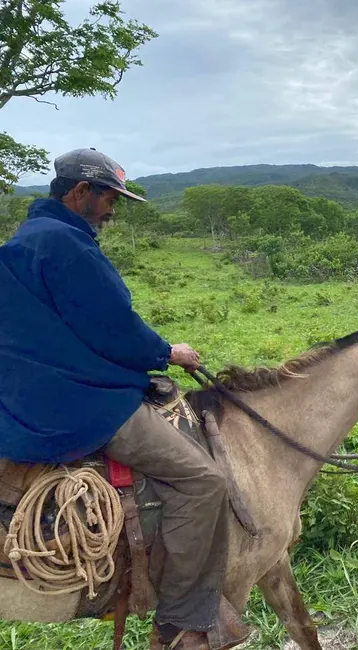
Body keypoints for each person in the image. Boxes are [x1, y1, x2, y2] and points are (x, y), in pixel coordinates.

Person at [0, 148, 248, 650]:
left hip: (23, 393)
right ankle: (180, 623)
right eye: (109, 196)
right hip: (73, 402)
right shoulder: (68, 247)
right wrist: (167, 351)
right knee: (203, 480)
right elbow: (114, 329)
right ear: (78, 193)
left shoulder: (27, 240)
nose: (113, 207)